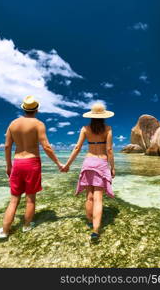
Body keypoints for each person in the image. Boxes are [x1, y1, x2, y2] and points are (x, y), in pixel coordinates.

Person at [0, 95, 63, 239]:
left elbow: (7, 146)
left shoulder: (13, 124)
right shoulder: (38, 124)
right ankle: (27, 226)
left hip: (17, 163)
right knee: (30, 199)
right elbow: (46, 146)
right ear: (36, 109)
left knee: (14, 199)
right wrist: (58, 163)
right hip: (32, 163)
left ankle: (5, 231)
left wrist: (9, 166)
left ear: (24, 109)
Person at [61, 103, 115, 242]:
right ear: (103, 116)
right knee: (98, 198)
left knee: (89, 197)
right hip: (101, 163)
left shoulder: (85, 129)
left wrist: (67, 165)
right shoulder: (108, 129)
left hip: (88, 162)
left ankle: (90, 222)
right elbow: (109, 150)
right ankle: (96, 230)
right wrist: (112, 168)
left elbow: (77, 147)